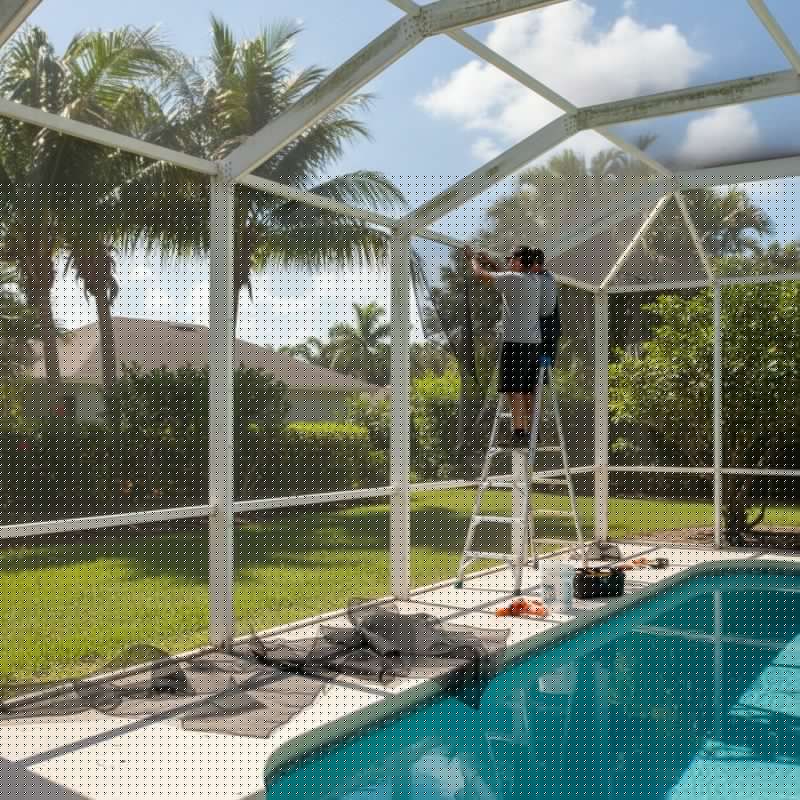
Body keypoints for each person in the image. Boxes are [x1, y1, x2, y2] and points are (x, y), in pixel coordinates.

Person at [465, 244, 547, 448]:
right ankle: (533, 433)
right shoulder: (535, 280)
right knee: (527, 390)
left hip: (515, 344)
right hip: (534, 345)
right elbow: (506, 275)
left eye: (510, 258)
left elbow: (479, 274)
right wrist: (492, 262)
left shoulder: (513, 279)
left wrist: (472, 258)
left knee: (513, 390)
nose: (508, 261)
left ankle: (519, 434)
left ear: (518, 262)